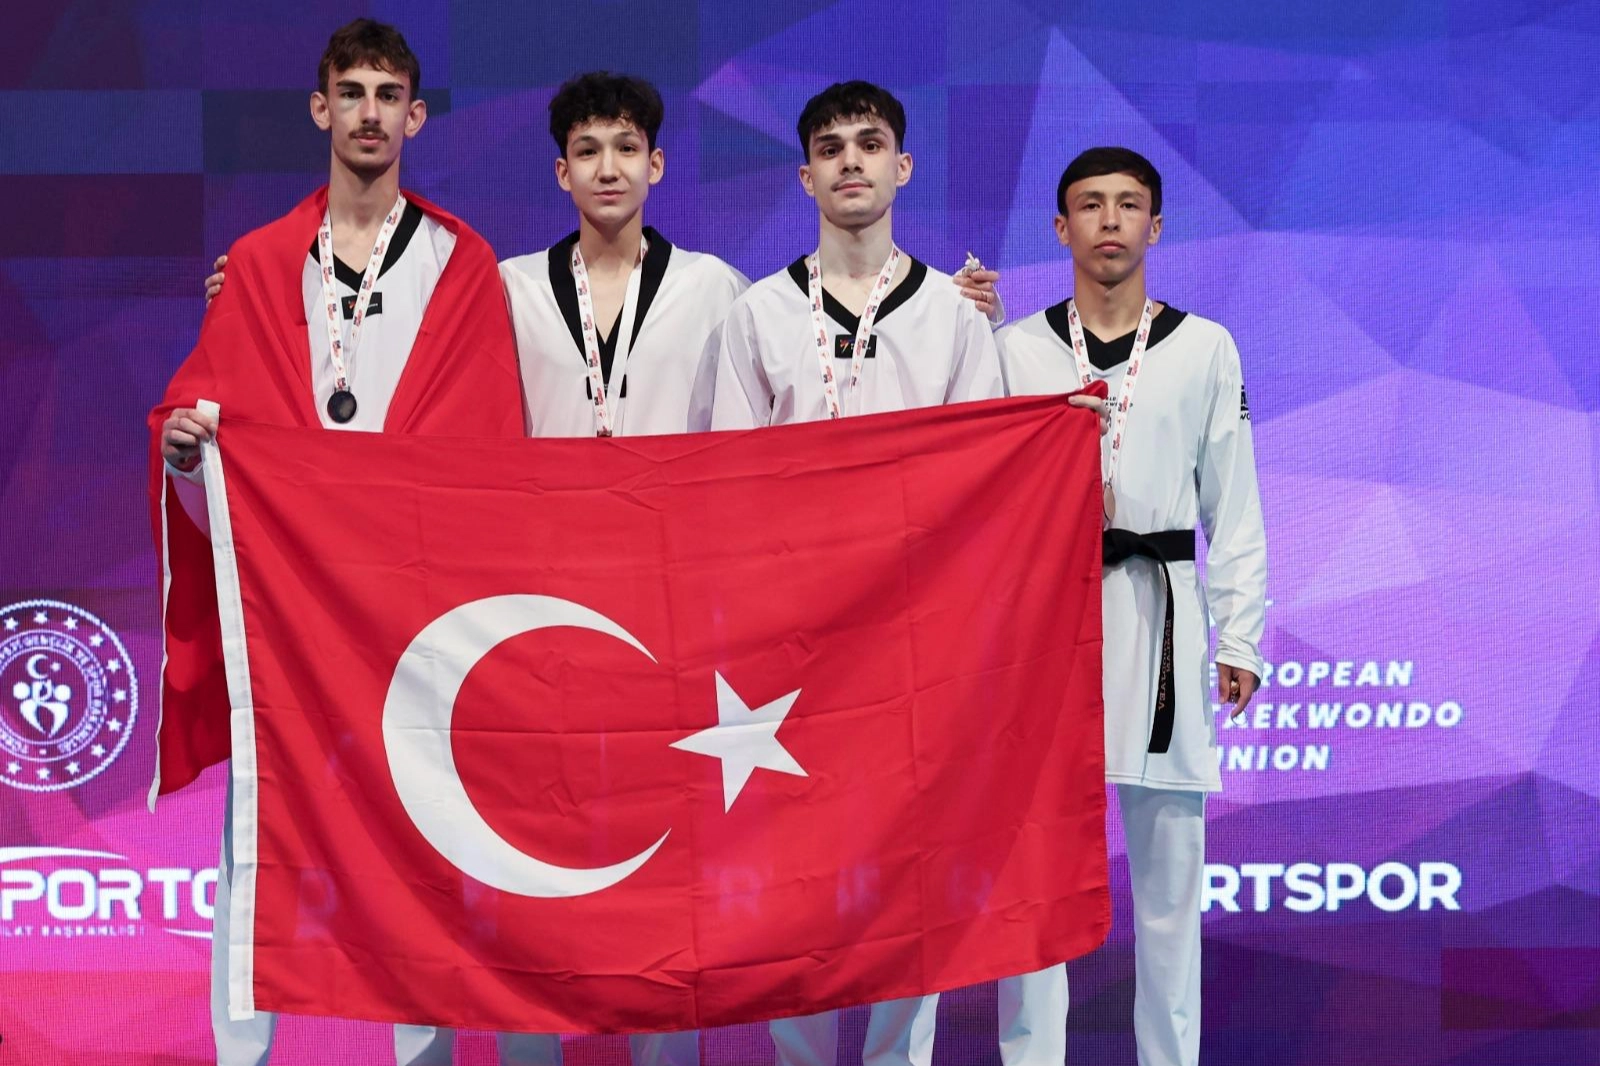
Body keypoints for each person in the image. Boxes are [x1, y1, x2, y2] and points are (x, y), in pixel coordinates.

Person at [149, 18, 531, 1066]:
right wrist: (182, 452)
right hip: (288, 608)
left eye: (388, 94)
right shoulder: (261, 261)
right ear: (321, 109)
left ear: (416, 116)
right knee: (257, 833)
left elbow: (489, 449)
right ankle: (241, 1056)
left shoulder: (459, 262)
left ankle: (424, 1057)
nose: (369, 112)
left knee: (422, 844)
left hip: (414, 608)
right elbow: (205, 410)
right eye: (351, 92)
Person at [709, 79, 1011, 1066]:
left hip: (914, 636)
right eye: (830, 147)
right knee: (794, 873)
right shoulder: (757, 314)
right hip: (790, 636)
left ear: (902, 167)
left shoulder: (956, 319)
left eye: (869, 143)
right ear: (805, 176)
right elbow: (729, 483)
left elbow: (985, 479)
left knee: (906, 874)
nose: (850, 160)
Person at [994, 146, 1267, 1066]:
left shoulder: (1205, 347)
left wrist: (1241, 636)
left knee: (1170, 891)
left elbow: (1234, 502)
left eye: (1127, 205)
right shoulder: (1015, 350)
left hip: (1163, 619)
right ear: (1059, 227)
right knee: (1034, 885)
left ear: (1156, 225)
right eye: (1089, 204)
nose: (1109, 221)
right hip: (1046, 630)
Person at [498, 72, 747, 439]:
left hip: (675, 480)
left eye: (627, 148)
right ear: (564, 173)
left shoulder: (713, 286)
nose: (608, 171)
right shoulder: (514, 288)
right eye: (587, 152)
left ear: (655, 165)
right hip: (549, 480)